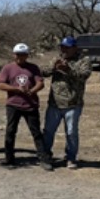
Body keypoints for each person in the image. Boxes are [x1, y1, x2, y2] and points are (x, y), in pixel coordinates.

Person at [0, 43, 53, 171]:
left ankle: (43, 159)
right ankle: (9, 158)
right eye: (17, 54)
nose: (19, 57)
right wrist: (16, 89)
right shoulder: (8, 68)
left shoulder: (33, 68)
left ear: (27, 55)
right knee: (10, 131)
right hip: (13, 104)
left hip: (30, 105)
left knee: (36, 133)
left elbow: (40, 83)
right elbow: (1, 85)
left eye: (22, 55)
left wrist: (32, 91)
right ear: (14, 54)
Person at [41, 36, 92, 169]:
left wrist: (68, 69)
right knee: (48, 131)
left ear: (75, 48)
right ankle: (46, 156)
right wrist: (53, 67)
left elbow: (84, 75)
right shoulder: (57, 59)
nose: (64, 50)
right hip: (54, 103)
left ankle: (70, 158)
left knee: (71, 132)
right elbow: (43, 72)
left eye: (67, 47)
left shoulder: (83, 60)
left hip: (73, 103)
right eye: (62, 47)